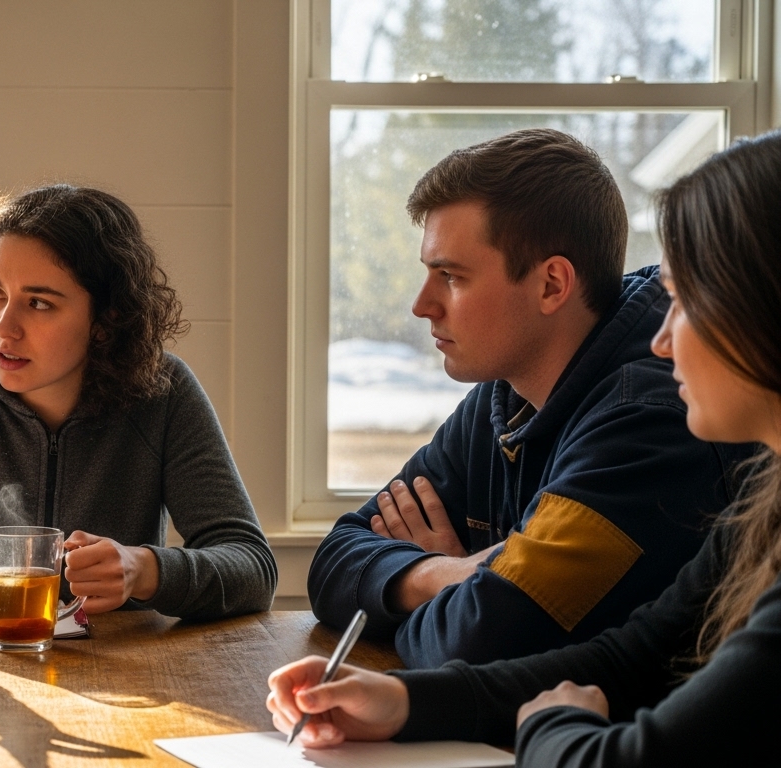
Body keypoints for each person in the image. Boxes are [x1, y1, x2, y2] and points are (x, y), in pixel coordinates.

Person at [268, 129, 781, 767]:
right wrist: (433, 621)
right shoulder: (503, 395)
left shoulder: (649, 421)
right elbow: (628, 658)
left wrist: (550, 720)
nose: (663, 339)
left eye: (685, 302)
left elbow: (483, 639)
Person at [0, 184, 276, 619]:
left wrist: (145, 570)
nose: (3, 327)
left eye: (38, 303)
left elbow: (253, 568)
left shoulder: (164, 391)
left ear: (106, 319)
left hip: (124, 675)